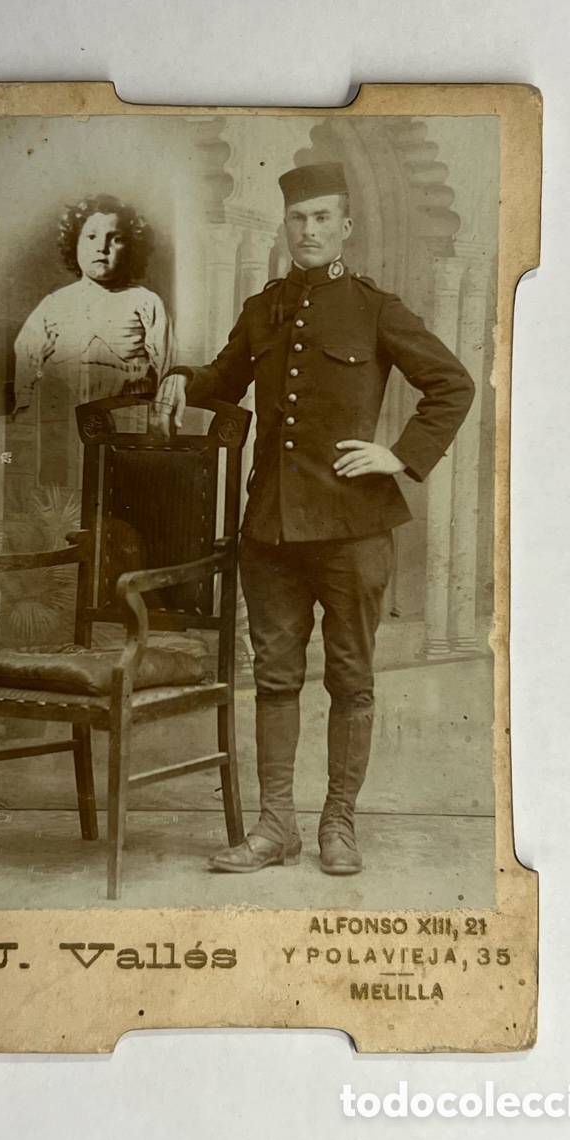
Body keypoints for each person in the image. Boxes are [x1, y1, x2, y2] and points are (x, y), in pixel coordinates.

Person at [151, 162, 475, 877]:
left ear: (345, 228)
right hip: (270, 530)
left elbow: (453, 384)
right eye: (299, 219)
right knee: (273, 676)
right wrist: (181, 378)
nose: (309, 230)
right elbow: (225, 378)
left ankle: (338, 824)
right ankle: (276, 828)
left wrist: (399, 457)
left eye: (323, 218)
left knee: (353, 679)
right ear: (285, 226)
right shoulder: (264, 307)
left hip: (354, 529)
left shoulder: (374, 307)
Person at [13, 194, 175, 488]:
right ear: (74, 243)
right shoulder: (55, 304)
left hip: (126, 428)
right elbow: (27, 359)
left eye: (116, 239)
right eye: (91, 236)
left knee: (121, 497)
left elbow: (167, 367)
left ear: (132, 247)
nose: (102, 247)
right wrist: (25, 405)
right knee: (63, 499)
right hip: (62, 427)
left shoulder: (145, 302)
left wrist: (160, 414)